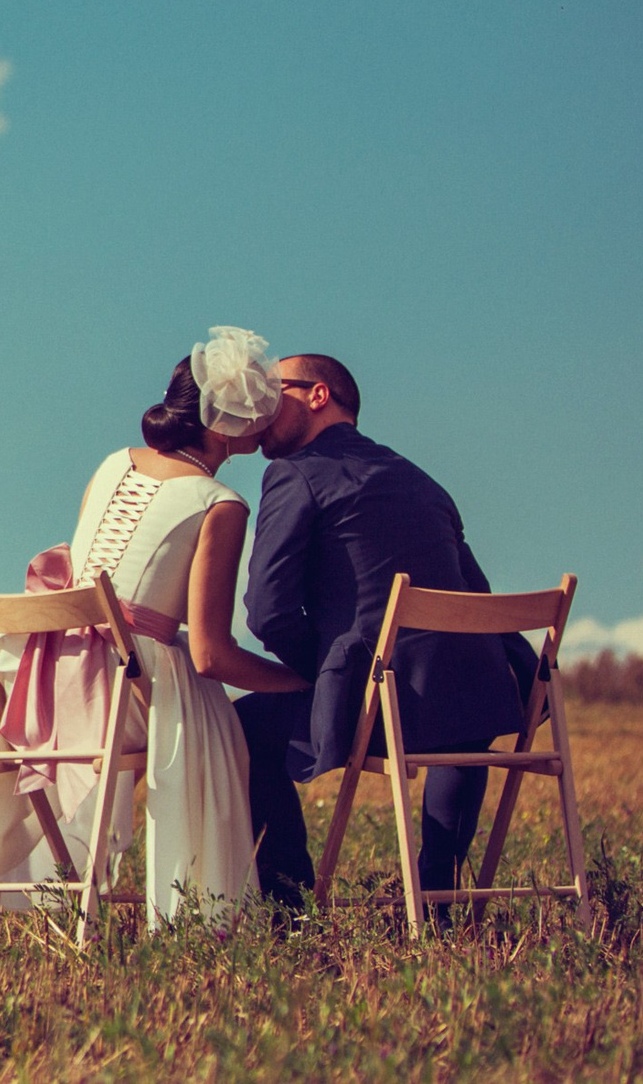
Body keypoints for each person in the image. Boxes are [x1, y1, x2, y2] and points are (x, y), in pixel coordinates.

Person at [0, 327, 308, 926]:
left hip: (29, 669)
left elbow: (89, 583)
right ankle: (200, 912)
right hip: (122, 687)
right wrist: (300, 683)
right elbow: (212, 654)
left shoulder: (111, 464)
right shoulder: (219, 503)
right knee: (216, 715)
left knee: (169, 658)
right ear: (224, 422)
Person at [233, 354, 535, 912]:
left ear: (317, 396)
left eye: (271, 392)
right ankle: (437, 902)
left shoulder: (294, 474)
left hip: (370, 709)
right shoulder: (420, 479)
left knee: (239, 728)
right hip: (473, 704)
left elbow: (268, 612)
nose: (257, 409)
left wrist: (320, 676)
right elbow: (473, 600)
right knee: (460, 722)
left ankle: (290, 908)